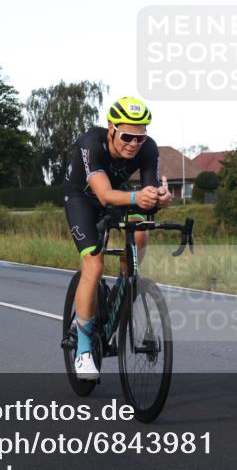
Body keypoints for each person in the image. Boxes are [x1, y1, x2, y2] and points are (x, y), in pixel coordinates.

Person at [62, 96, 173, 380]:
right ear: (111, 128)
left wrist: (160, 198)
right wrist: (138, 197)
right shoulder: (91, 143)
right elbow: (103, 194)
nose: (134, 144)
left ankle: (124, 289)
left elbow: (147, 193)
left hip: (119, 194)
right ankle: (84, 348)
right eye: (127, 136)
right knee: (94, 264)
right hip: (83, 199)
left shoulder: (147, 148)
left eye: (140, 137)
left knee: (140, 233)